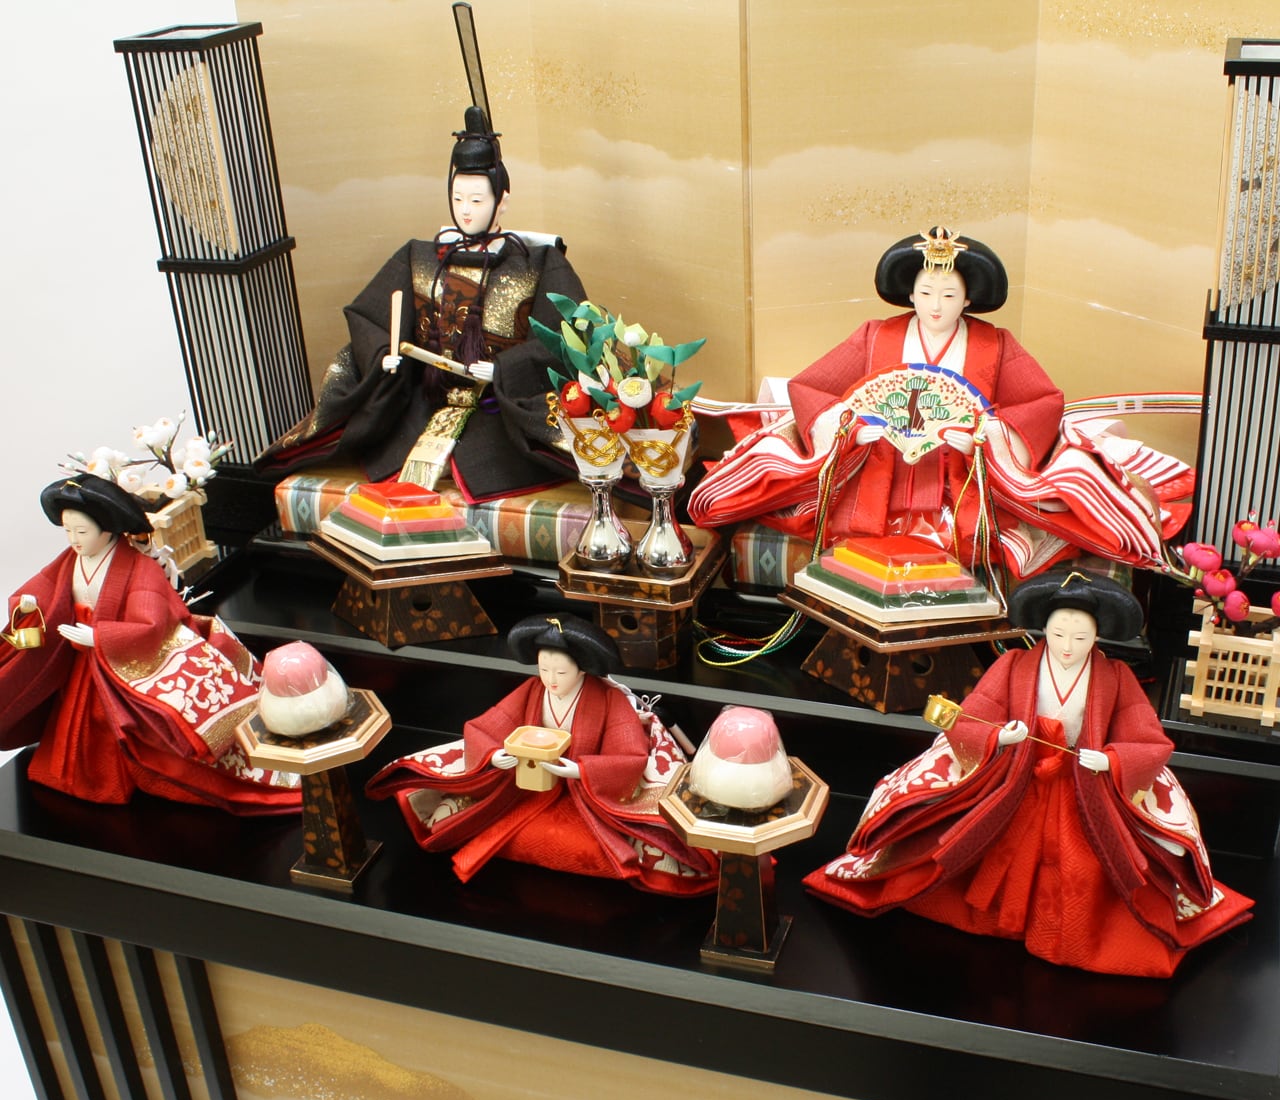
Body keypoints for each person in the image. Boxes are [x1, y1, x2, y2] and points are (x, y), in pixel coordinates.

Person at [802, 570, 1253, 977]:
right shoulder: (1015, 665)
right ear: (1044, 629)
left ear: (1098, 635)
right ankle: (995, 917)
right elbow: (974, 714)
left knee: (1081, 868)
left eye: (1080, 636)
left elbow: (1147, 738)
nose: (1068, 646)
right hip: (1018, 778)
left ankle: (1071, 936)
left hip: (1084, 788)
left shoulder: (1115, 676)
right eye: (1058, 634)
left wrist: (1112, 760)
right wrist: (1000, 736)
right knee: (985, 845)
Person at [687, 228, 1193, 577]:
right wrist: (852, 424)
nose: (935, 306)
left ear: (968, 299)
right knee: (849, 524)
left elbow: (1041, 402)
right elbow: (811, 387)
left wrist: (986, 436)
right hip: (879, 468)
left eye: (949, 296)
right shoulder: (875, 336)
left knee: (980, 532)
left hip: (959, 475)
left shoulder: (995, 344)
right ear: (909, 294)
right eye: (926, 293)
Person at [257, 106, 587, 501]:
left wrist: (505, 368)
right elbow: (370, 316)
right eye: (458, 198)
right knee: (395, 457)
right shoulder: (421, 256)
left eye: (477, 199)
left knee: (497, 456)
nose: (466, 210)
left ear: (502, 201)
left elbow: (566, 335)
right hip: (425, 399)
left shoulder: (537, 263)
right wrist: (384, 354)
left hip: (499, 408)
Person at [0, 474, 300, 814]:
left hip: (119, 665)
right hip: (82, 660)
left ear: (107, 529)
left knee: (119, 725)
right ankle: (74, 775)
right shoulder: (70, 560)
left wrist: (100, 637)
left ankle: (124, 774)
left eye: (81, 532)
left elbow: (153, 622)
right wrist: (30, 604)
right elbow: (44, 588)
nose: (74, 540)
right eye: (68, 531)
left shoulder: (139, 567)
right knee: (75, 721)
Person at [366, 613, 717, 895]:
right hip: (527, 785)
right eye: (543, 669)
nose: (551, 679)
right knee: (460, 816)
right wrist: (495, 755)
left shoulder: (608, 698)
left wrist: (580, 771)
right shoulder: (533, 690)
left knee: (614, 845)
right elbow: (488, 725)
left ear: (582, 668)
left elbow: (628, 753)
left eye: (560, 672)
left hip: (590, 796)